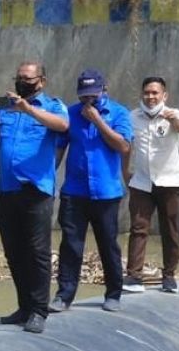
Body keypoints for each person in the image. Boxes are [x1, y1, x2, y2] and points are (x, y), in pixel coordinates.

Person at [0, 61, 69, 334]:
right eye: (19, 78)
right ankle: (23, 307)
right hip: (8, 191)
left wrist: (29, 109)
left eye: (29, 79)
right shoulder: (4, 108)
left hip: (37, 192)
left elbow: (62, 125)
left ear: (41, 81)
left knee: (38, 253)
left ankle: (38, 310)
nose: (23, 82)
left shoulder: (53, 105)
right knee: (14, 252)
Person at [51, 69, 133, 313]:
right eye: (84, 96)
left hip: (106, 193)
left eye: (93, 96)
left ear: (103, 90)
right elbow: (59, 148)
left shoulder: (118, 113)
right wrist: (48, 178)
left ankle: (113, 293)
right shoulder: (70, 114)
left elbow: (123, 146)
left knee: (108, 244)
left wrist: (98, 120)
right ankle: (64, 296)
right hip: (74, 192)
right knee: (71, 246)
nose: (88, 101)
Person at [123, 76, 179, 294]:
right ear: (142, 94)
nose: (150, 97)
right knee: (138, 227)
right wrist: (125, 172)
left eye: (155, 93)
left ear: (164, 95)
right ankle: (134, 276)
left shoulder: (175, 115)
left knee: (170, 229)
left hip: (169, 182)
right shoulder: (132, 117)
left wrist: (172, 120)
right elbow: (126, 144)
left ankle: (168, 276)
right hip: (141, 181)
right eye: (147, 93)